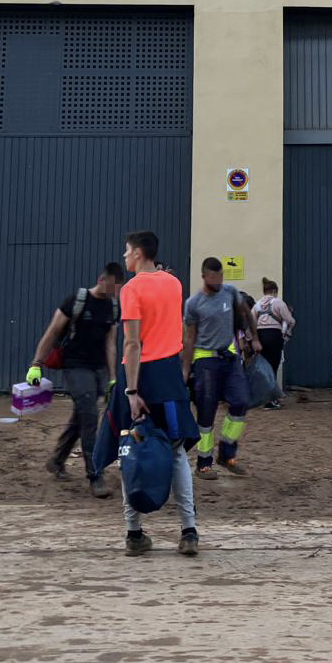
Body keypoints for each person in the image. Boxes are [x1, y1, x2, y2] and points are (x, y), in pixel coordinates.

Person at [99, 230, 199, 558]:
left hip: (141, 377)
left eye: (127, 251)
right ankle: (189, 531)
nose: (125, 257)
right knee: (176, 452)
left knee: (131, 448)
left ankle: (134, 533)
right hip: (169, 377)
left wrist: (130, 390)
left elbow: (131, 343)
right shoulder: (175, 284)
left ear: (139, 253)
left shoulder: (130, 289)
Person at [26, 261, 123, 497]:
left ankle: (57, 460)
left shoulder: (112, 307)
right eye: (114, 287)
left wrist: (112, 378)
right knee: (89, 416)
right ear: (102, 280)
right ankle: (95, 475)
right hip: (75, 366)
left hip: (98, 368)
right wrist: (36, 365)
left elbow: (111, 343)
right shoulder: (76, 300)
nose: (116, 292)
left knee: (81, 415)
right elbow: (53, 331)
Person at [182, 257, 258, 479]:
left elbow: (246, 313)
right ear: (204, 276)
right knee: (206, 413)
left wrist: (254, 337)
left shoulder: (230, 292)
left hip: (230, 357)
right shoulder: (193, 303)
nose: (218, 283)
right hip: (205, 360)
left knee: (241, 401)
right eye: (214, 279)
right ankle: (203, 464)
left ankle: (226, 452)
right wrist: (186, 369)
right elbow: (189, 339)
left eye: (221, 278)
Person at [253, 278, 296, 409]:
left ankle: (265, 397)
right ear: (274, 291)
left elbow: (251, 322)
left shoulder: (258, 304)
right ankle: (270, 401)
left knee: (264, 367)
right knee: (273, 367)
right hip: (274, 335)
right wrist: (287, 332)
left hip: (260, 336)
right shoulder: (278, 302)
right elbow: (290, 320)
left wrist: (253, 339)